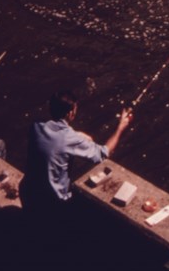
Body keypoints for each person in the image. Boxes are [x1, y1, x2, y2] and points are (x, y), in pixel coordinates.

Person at [19, 89, 132, 217]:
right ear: (71, 113)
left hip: (27, 194)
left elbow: (57, 138)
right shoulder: (71, 139)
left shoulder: (36, 126)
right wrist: (120, 127)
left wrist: (77, 135)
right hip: (51, 205)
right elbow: (103, 153)